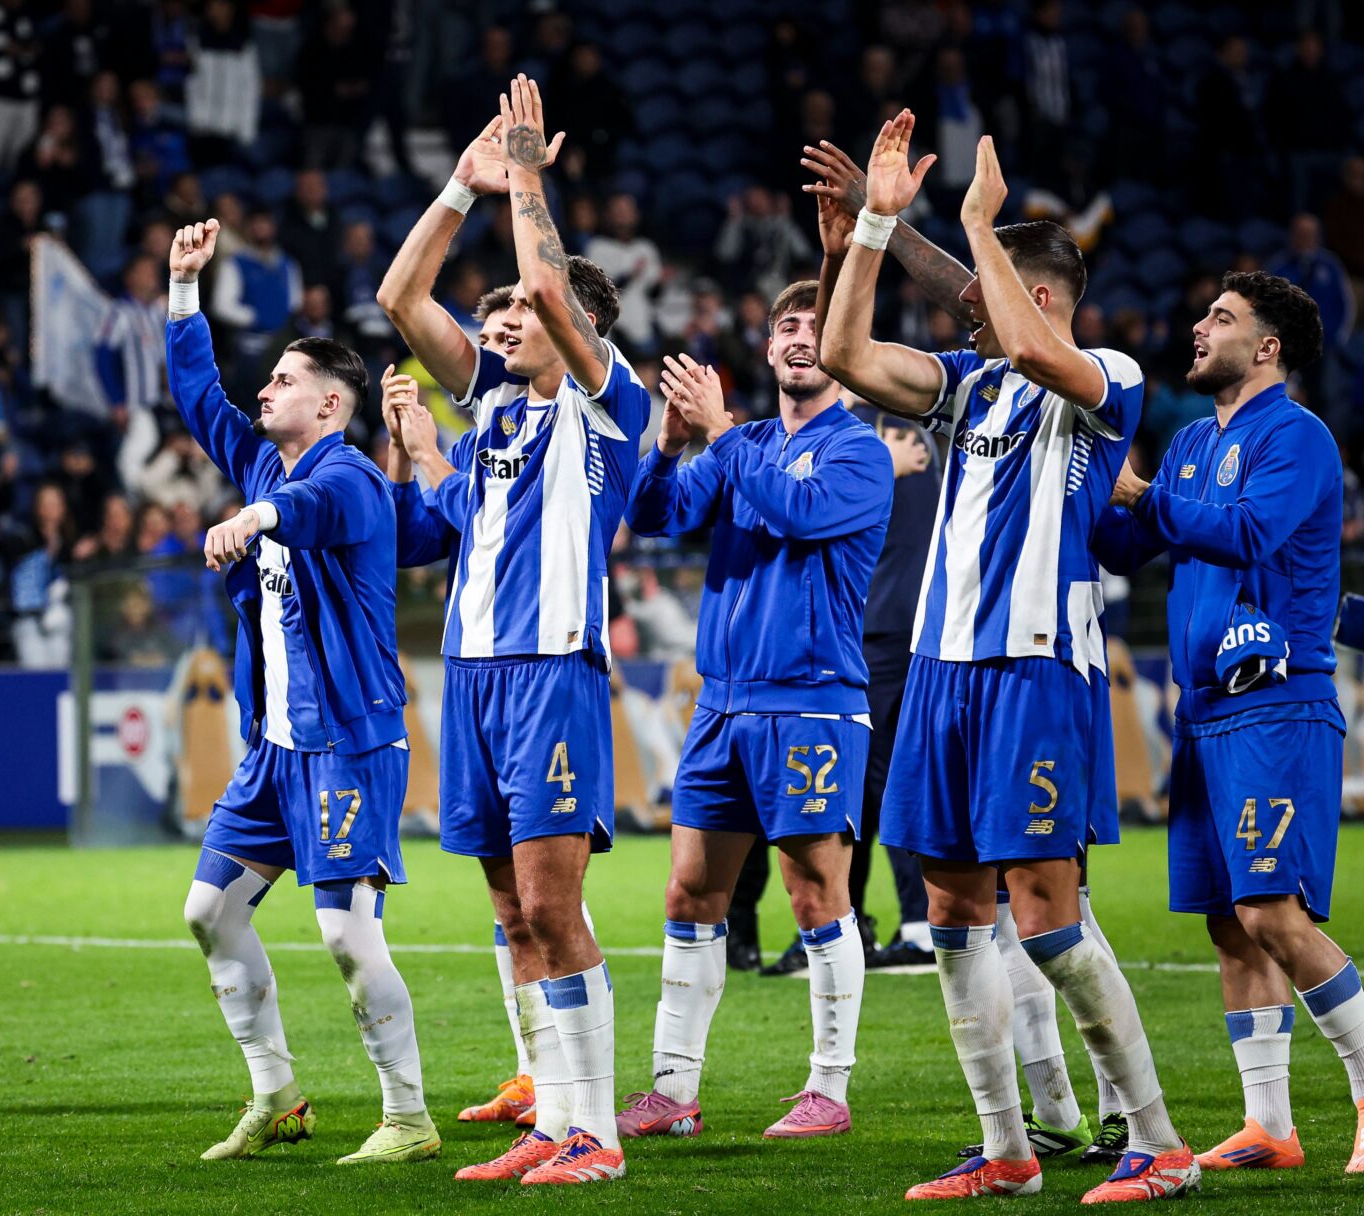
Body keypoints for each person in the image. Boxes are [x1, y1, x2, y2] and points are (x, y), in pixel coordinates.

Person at [817, 113, 1195, 1202]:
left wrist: (972, 219)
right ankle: (1007, 1149)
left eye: (980, 294)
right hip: (940, 668)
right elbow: (846, 353)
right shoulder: (966, 385)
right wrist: (878, 229)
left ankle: (1158, 1139)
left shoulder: (1102, 372)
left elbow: (1030, 337)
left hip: (1036, 665)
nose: (961, 308)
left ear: (1030, 295)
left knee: (1046, 908)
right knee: (950, 915)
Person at [377, 77, 648, 1185]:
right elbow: (402, 294)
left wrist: (528, 173)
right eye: (491, 320)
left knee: (551, 901)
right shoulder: (493, 410)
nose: (499, 326)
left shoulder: (606, 398)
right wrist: (459, 183)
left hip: (552, 671)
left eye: (518, 316)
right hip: (476, 672)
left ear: (569, 326)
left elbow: (546, 273)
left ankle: (599, 1134)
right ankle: (556, 1114)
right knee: (510, 905)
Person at [166, 218, 440, 1168]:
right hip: (276, 749)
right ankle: (276, 1093)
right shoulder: (261, 460)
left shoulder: (352, 475)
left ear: (329, 404)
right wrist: (183, 289)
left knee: (345, 935)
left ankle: (407, 1114)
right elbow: (197, 393)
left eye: (281, 381)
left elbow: (319, 514)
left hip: (349, 743)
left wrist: (257, 515)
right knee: (209, 913)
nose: (263, 391)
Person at [1096, 271, 1364, 1176]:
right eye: (1204, 311)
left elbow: (1247, 533)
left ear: (1269, 346)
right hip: (1202, 709)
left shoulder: (1297, 438)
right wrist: (1091, 478)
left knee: (1271, 910)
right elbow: (1126, 543)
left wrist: (1144, 498)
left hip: (1276, 705)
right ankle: (1270, 1126)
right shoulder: (1184, 444)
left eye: (1223, 317)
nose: (1200, 326)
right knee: (1228, 920)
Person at [616, 276, 892, 1143]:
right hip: (723, 706)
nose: (800, 335)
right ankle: (672, 1089)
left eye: (816, 324)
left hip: (811, 703)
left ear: (840, 346)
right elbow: (656, 517)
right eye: (785, 324)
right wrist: (666, 450)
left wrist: (722, 434)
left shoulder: (860, 452)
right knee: (691, 889)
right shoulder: (749, 444)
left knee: (816, 892)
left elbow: (799, 514)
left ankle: (829, 1089)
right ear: (768, 349)